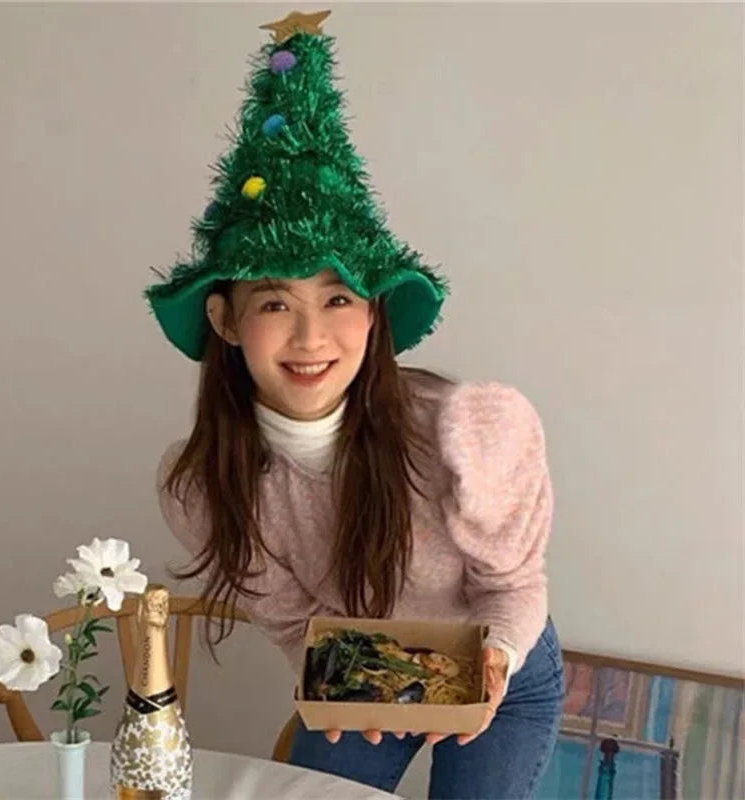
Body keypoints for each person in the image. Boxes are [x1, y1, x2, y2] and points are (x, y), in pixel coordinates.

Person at [147, 11, 563, 799]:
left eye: (338, 297)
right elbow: (289, 618)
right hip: (362, 671)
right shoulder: (200, 481)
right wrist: (351, 680)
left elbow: (512, 586)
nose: (311, 336)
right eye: (275, 303)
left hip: (501, 671)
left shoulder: (461, 432)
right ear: (225, 320)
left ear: (374, 314)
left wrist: (491, 663)